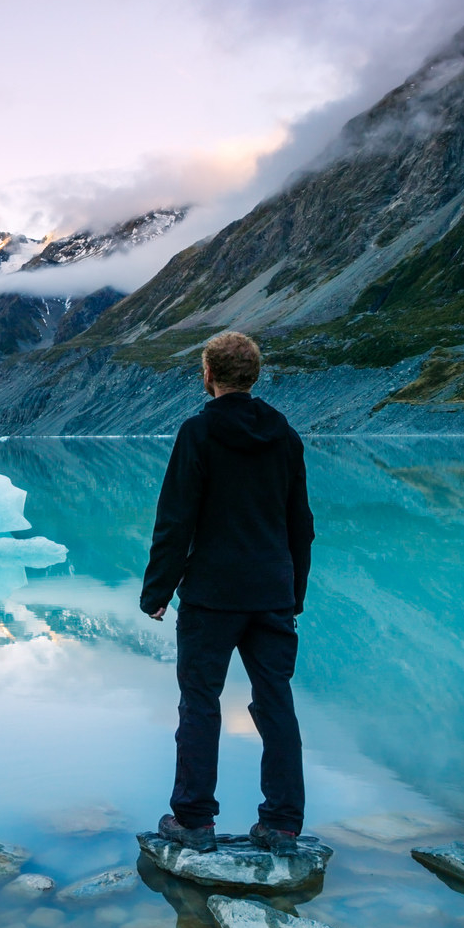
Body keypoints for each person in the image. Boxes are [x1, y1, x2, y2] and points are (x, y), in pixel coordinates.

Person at [140, 328, 314, 853]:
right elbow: (299, 523)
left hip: (212, 596)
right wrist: (294, 591)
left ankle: (193, 819)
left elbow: (176, 519)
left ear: (208, 375)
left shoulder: (198, 431)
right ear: (254, 375)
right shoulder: (284, 434)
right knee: (276, 702)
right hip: (271, 593)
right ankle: (282, 824)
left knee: (200, 703)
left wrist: (157, 591)